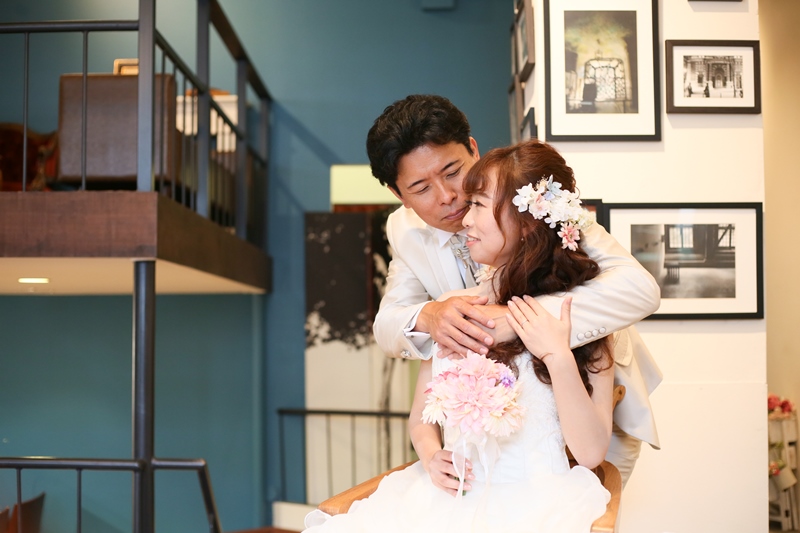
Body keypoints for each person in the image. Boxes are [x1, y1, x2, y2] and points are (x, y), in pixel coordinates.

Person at [304, 140, 617, 533]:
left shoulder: (581, 318)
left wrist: (557, 355)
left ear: (526, 223)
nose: (463, 218)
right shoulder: (453, 308)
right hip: (450, 500)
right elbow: (421, 418)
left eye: (479, 205)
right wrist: (432, 455)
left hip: (538, 504)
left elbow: (589, 454)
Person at [367, 95, 661, 485]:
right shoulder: (403, 230)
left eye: (452, 171)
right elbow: (389, 323)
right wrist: (430, 316)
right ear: (398, 194)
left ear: (473, 149)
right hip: (489, 448)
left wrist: (515, 321)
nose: (447, 196)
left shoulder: (535, 201)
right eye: (421, 188)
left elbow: (639, 289)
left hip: (595, 402)